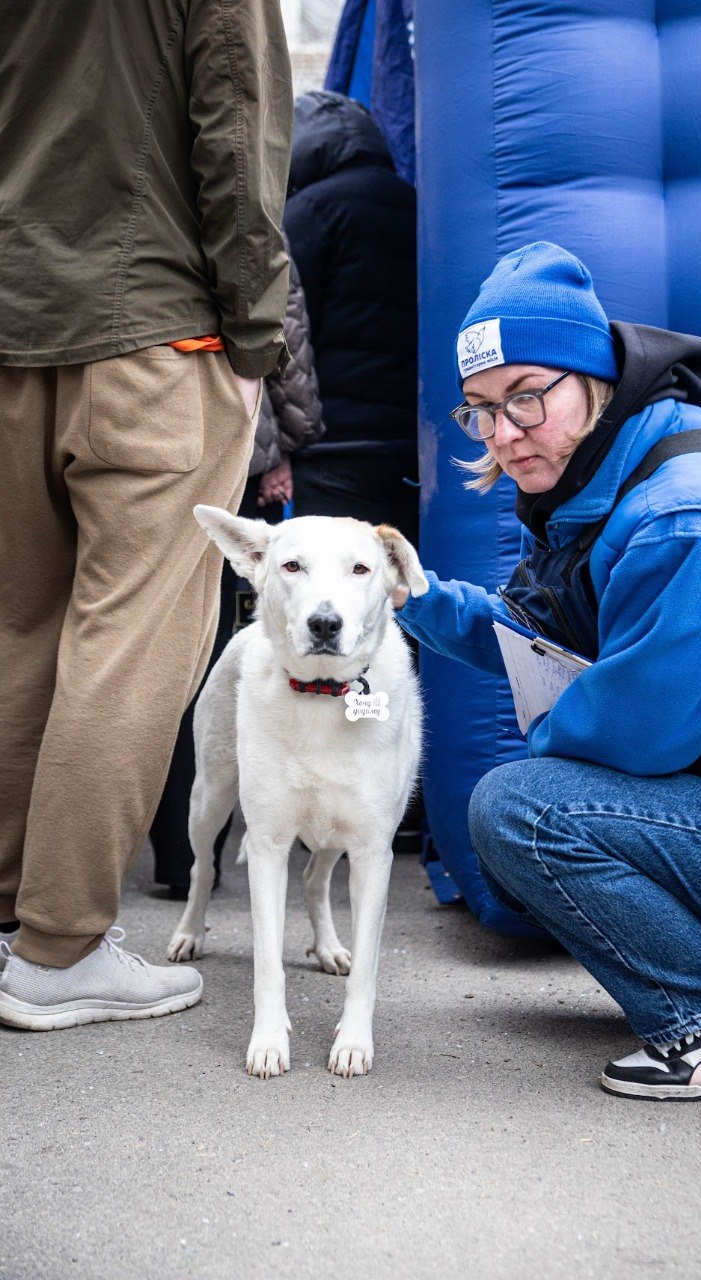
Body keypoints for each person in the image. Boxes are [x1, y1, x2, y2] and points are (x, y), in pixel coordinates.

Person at [396, 241, 701, 1100]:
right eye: (479, 409)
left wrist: (548, 724)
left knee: (523, 809)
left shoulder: (687, 515)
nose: (502, 431)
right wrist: (405, 594)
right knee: (536, 791)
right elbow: (529, 630)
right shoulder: (606, 472)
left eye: (526, 396)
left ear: (591, 378)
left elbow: (636, 737)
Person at [0, 0, 292, 1031]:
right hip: (157, 333)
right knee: (131, 637)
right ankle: (61, 948)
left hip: (16, 321)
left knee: (19, 628)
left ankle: (11, 924)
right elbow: (235, 135)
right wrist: (262, 341)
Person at [149, 248, 324, 897]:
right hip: (227, 449)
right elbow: (280, 334)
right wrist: (290, 442)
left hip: (122, 431)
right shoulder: (242, 200)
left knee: (127, 639)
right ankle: (185, 858)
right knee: (207, 644)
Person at [283, 90, 419, 547]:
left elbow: (288, 331)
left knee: (331, 585)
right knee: (397, 583)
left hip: (333, 447)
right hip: (411, 444)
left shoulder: (309, 212)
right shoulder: (417, 204)